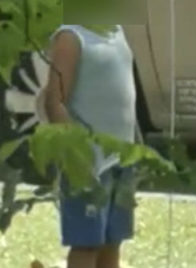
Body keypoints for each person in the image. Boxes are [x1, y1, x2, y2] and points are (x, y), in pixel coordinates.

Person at [41, 25, 137, 268]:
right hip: (88, 163)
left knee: (113, 239)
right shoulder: (71, 37)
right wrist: (76, 158)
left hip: (121, 159)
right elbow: (55, 101)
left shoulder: (115, 31)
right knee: (87, 243)